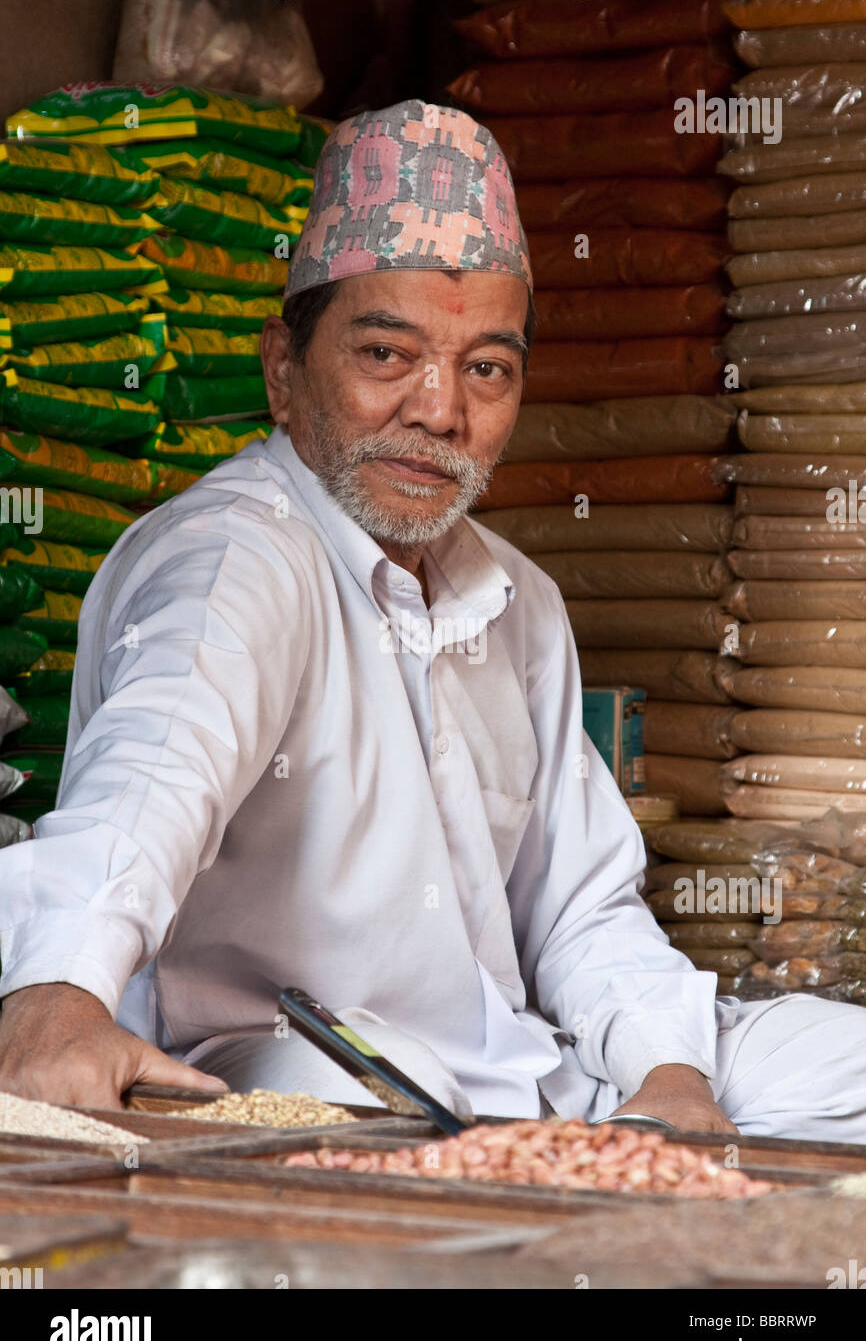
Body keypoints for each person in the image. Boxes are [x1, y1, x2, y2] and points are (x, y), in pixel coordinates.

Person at [1, 99, 864, 1141]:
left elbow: (583, 910)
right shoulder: (236, 556)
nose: (439, 408)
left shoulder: (519, 602)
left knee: (832, 1058)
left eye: (485, 369)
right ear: (283, 369)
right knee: (372, 1099)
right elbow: (150, 773)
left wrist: (670, 1075)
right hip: (282, 1069)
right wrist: (57, 989)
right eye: (383, 354)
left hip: (520, 1069)